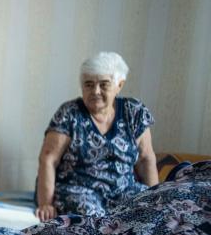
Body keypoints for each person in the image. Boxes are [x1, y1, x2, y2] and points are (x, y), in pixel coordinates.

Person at [35, 51, 158, 221]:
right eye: (89, 84)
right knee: (94, 218)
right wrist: (45, 203)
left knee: (150, 213)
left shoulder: (134, 112)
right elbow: (48, 159)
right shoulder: (69, 113)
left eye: (104, 84)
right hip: (77, 190)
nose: (96, 91)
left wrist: (156, 200)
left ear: (119, 85)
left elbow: (146, 159)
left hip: (123, 190)